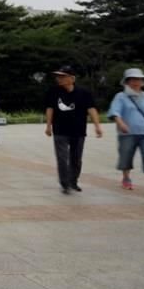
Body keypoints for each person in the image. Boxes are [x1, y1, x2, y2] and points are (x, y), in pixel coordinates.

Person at [45, 65, 103, 194]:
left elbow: (91, 109)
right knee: (62, 158)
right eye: (58, 76)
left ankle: (73, 181)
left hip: (78, 130)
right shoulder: (53, 91)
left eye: (62, 76)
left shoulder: (84, 93)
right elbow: (50, 108)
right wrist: (48, 125)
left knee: (76, 158)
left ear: (72, 78)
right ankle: (65, 184)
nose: (59, 79)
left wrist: (97, 126)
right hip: (60, 130)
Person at [107, 68, 144, 196]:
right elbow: (115, 111)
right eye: (133, 79)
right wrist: (120, 122)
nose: (136, 82)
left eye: (139, 79)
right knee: (126, 157)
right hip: (127, 133)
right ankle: (126, 177)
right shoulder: (121, 96)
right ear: (127, 82)